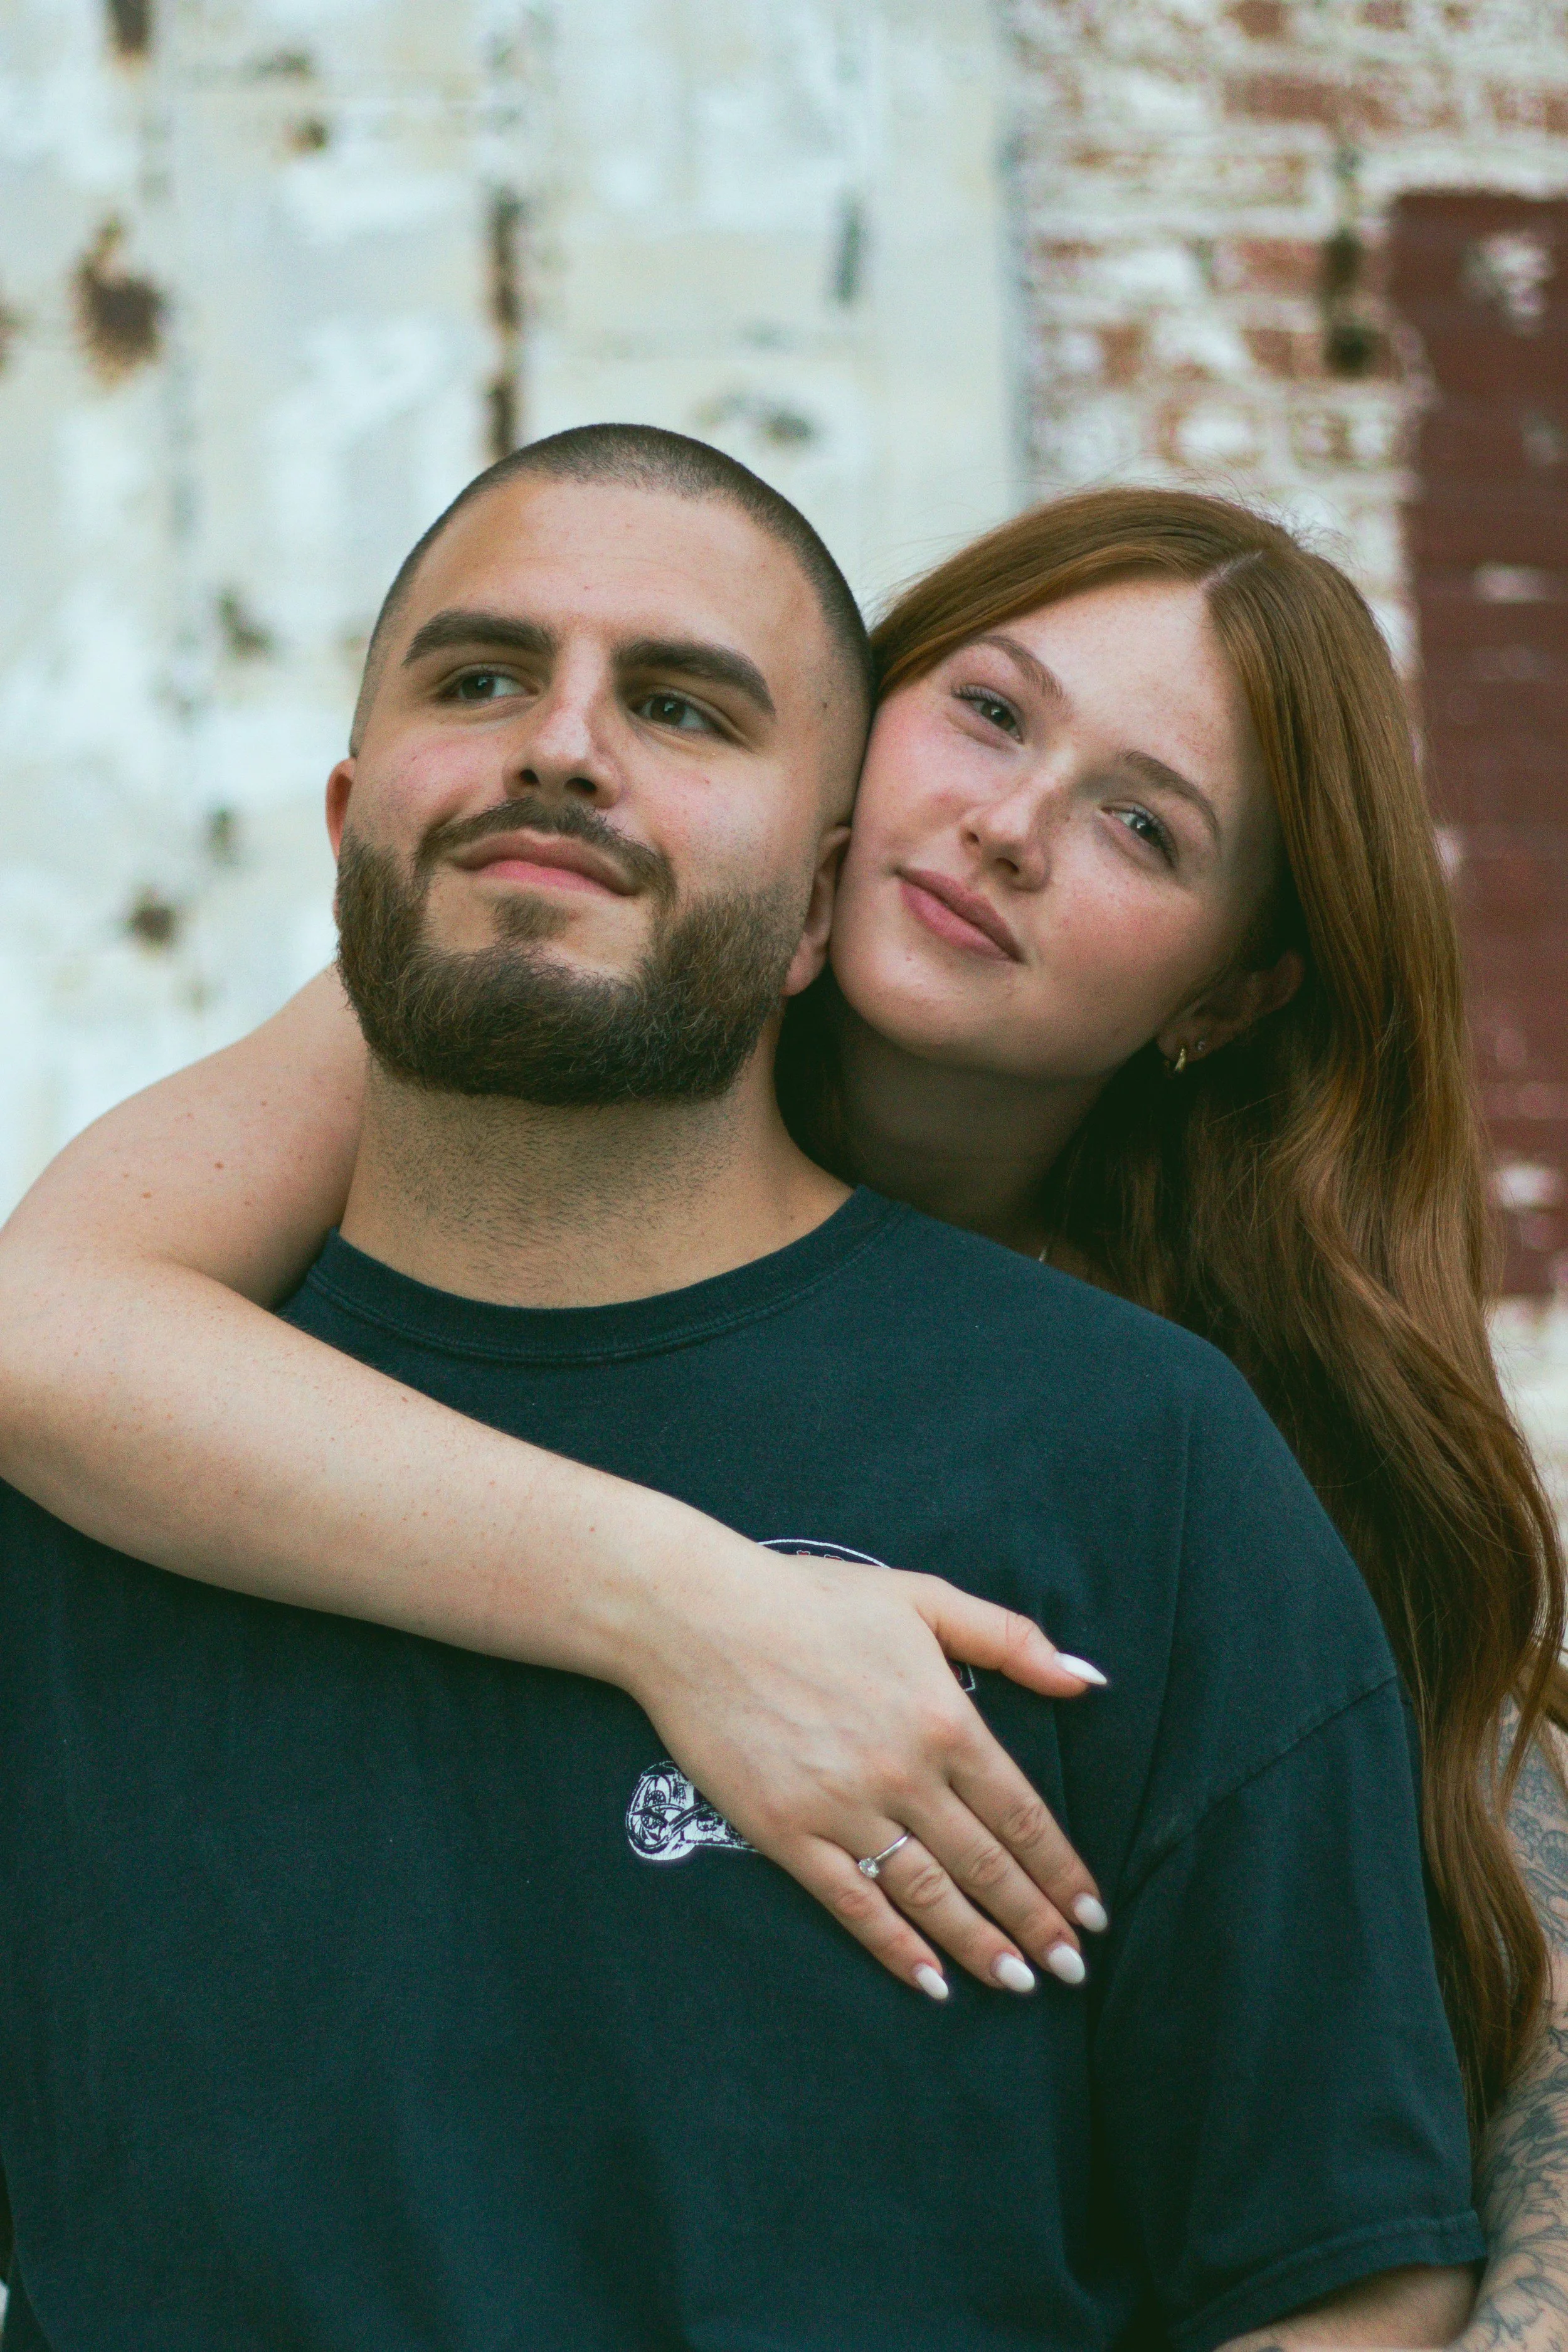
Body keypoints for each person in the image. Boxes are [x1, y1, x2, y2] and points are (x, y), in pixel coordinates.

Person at [0, 428, 1490, 2349]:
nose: (1009, 827)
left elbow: (1348, 2243)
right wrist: (695, 1606)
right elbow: (39, 1334)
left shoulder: (1162, 1453)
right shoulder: (174, 1388)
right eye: (985, 714)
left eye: (1146, 826)